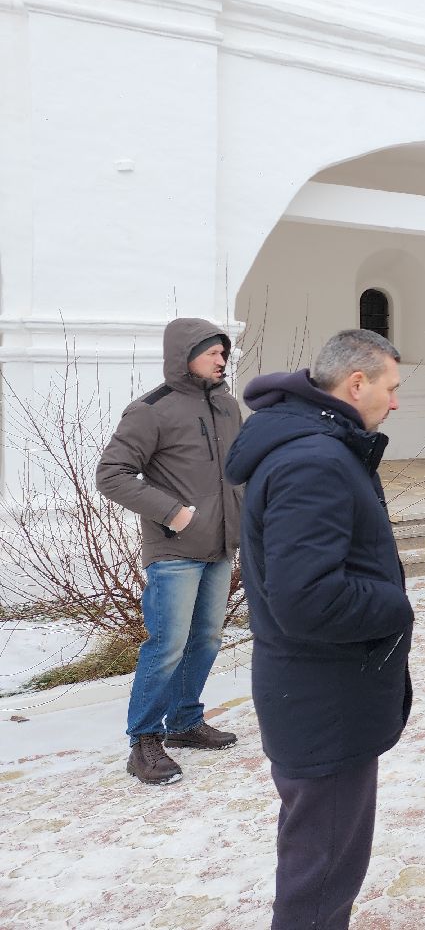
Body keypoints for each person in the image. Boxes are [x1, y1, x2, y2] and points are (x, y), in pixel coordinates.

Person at [223, 329, 412, 930]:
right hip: (324, 701)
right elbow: (307, 598)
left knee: (320, 858)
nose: (396, 402)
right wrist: (394, 604)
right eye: (392, 387)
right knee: (321, 872)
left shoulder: (315, 444)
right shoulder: (315, 459)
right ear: (356, 384)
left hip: (315, 693)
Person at [97, 318, 243, 785]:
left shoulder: (227, 407)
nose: (223, 358)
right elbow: (112, 474)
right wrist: (175, 513)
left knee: (206, 640)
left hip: (221, 546)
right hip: (175, 550)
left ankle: (184, 722)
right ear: (186, 354)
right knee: (167, 646)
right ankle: (144, 741)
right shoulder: (151, 410)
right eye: (214, 351)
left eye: (224, 351)